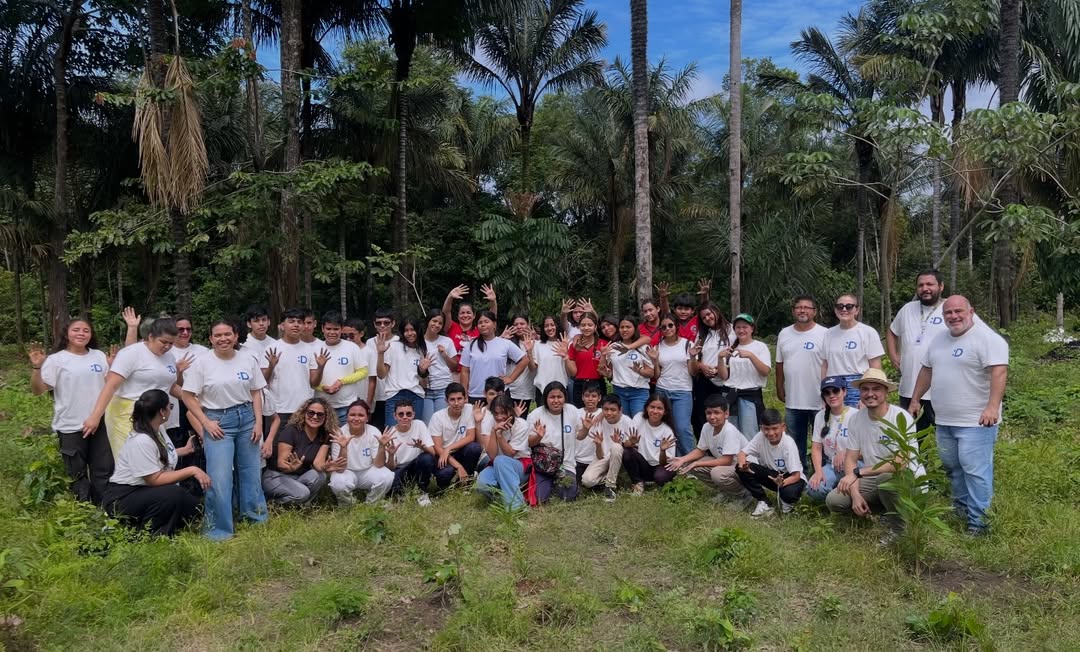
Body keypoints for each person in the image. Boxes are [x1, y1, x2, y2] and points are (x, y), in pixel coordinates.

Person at [908, 295, 1008, 535]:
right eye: (948, 313)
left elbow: (999, 372)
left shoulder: (988, 339)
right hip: (945, 420)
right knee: (953, 468)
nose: (953, 316)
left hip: (976, 421)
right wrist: (915, 399)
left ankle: (979, 524)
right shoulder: (939, 340)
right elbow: (926, 370)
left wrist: (992, 407)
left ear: (971, 311)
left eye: (958, 311)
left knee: (976, 471)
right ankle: (962, 511)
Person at [180, 320, 267, 540]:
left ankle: (255, 517)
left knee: (250, 472)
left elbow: (256, 391)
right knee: (220, 477)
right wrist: (205, 423)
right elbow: (187, 396)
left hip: (247, 418)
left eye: (227, 334)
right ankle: (218, 530)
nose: (223, 339)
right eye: (217, 335)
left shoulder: (248, 359)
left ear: (236, 336)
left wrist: (258, 422)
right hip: (218, 422)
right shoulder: (202, 363)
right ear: (210, 339)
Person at [826, 369, 925, 546]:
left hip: (908, 478)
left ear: (886, 392)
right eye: (865, 389)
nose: (870, 394)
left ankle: (901, 530)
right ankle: (881, 514)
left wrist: (858, 472)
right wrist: (855, 494)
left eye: (876, 389)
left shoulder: (900, 417)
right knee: (835, 500)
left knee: (885, 479)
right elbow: (850, 459)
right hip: (874, 477)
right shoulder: (856, 419)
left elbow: (900, 462)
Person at [29, 317, 116, 503]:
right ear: (67, 333)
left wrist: (113, 365)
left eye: (86, 330)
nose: (81, 334)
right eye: (76, 330)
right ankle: (83, 510)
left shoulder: (99, 356)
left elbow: (111, 386)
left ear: (91, 334)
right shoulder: (56, 360)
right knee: (76, 473)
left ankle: (105, 508)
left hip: (100, 422)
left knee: (103, 469)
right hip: (70, 423)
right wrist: (37, 367)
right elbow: (39, 390)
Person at [102, 389, 208, 536]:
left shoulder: (158, 430)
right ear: (161, 412)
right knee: (172, 494)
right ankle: (152, 534)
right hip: (124, 496)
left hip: (144, 492)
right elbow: (154, 479)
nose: (171, 410)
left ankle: (170, 526)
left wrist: (184, 450)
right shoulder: (141, 440)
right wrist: (192, 470)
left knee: (196, 508)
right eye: (170, 406)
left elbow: (157, 456)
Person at [84, 317, 184, 458]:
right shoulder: (131, 353)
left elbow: (170, 384)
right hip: (127, 413)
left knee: (157, 456)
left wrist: (194, 400)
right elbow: (111, 385)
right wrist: (95, 416)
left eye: (171, 343)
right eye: (163, 342)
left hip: (156, 413)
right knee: (133, 458)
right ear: (150, 336)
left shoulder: (169, 357)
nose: (167, 346)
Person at [888, 269, 949, 432]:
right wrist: (893, 354)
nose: (925, 288)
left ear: (941, 286)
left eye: (930, 284)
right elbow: (892, 331)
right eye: (921, 285)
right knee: (910, 437)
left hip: (940, 390)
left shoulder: (951, 309)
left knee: (941, 437)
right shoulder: (908, 309)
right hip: (909, 387)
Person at [666, 394, 750, 505]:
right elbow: (700, 450)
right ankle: (726, 492)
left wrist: (697, 464)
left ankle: (744, 495)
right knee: (690, 464)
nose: (712, 417)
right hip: (727, 466)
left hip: (744, 468)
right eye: (709, 413)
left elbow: (727, 461)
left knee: (716, 473)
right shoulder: (707, 427)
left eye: (716, 412)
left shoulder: (729, 431)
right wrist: (683, 459)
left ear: (726, 414)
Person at [775, 295, 828, 466]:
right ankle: (799, 475)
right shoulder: (784, 333)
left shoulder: (825, 334)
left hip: (819, 400)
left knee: (823, 440)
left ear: (814, 312)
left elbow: (830, 364)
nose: (802, 310)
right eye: (798, 307)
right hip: (794, 399)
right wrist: (779, 387)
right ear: (793, 311)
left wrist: (828, 393)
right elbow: (779, 363)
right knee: (794, 442)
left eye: (807, 307)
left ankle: (823, 474)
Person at [262, 397, 339, 505]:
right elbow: (281, 463)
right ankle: (271, 504)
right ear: (304, 413)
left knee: (320, 476)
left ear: (326, 417)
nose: (315, 417)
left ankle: (300, 505)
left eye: (320, 414)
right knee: (302, 493)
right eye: (311, 413)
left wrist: (326, 467)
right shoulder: (291, 430)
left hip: (298, 477)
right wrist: (290, 467)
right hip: (276, 476)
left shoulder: (324, 435)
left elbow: (318, 465)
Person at [736, 409, 806, 518]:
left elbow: (796, 476)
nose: (770, 433)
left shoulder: (788, 444)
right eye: (766, 429)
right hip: (772, 475)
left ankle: (790, 501)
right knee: (739, 468)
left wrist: (782, 482)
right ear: (761, 428)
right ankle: (763, 501)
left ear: (783, 427)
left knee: (788, 494)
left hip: (791, 477)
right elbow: (742, 453)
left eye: (774, 428)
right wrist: (742, 466)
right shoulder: (760, 436)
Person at [647, 315, 700, 455]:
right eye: (663, 327)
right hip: (662, 389)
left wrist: (693, 357)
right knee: (666, 426)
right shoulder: (658, 346)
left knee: (682, 427)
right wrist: (654, 361)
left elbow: (693, 372)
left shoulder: (687, 344)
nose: (667, 329)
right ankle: (671, 456)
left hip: (683, 391)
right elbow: (656, 375)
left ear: (676, 326)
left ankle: (689, 459)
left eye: (670, 325)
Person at [526, 381, 585, 504]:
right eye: (552, 397)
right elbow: (528, 444)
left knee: (567, 496)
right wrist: (538, 436)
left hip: (565, 465)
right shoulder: (536, 414)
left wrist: (586, 428)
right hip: (543, 466)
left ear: (565, 398)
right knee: (539, 499)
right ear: (546, 398)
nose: (556, 401)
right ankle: (547, 485)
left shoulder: (572, 411)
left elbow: (580, 436)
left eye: (559, 397)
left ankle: (563, 486)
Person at [327, 400, 394, 505]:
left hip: (368, 471)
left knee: (387, 476)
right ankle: (348, 505)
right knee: (338, 483)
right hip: (347, 472)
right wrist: (343, 447)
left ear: (367, 418)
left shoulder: (374, 432)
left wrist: (382, 446)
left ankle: (372, 503)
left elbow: (378, 464)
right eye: (352, 415)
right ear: (347, 417)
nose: (356, 419)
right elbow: (339, 470)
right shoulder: (340, 434)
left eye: (361, 415)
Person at [822, 294, 884, 407]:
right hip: (833, 386)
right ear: (835, 310)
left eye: (849, 306)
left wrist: (870, 394)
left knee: (857, 421)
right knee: (836, 422)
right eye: (840, 306)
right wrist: (823, 390)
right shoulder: (828, 334)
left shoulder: (868, 332)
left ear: (857, 310)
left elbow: (875, 367)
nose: (844, 309)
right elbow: (825, 365)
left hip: (857, 384)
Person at [475, 394, 532, 510]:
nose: (500, 417)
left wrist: (499, 436)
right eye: (496, 413)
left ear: (511, 411)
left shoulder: (521, 425)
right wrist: (493, 432)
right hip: (497, 464)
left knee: (501, 460)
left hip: (519, 464)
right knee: (482, 484)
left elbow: (511, 453)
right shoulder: (490, 423)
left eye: (503, 413)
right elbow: (491, 455)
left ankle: (517, 507)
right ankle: (505, 497)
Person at [310, 311, 369, 424]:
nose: (332, 332)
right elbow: (311, 381)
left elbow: (363, 372)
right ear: (322, 328)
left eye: (336, 329)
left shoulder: (352, 347)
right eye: (328, 329)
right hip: (322, 407)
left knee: (345, 440)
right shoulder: (315, 349)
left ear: (341, 329)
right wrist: (323, 387)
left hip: (347, 406)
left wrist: (341, 382)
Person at [805, 377, 858, 502]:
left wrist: (846, 453)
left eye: (835, 391)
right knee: (813, 489)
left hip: (855, 463)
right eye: (827, 393)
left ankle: (842, 496)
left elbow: (866, 447)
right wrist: (818, 471)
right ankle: (837, 491)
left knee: (856, 486)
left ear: (844, 392)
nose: (831, 395)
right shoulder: (820, 416)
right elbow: (816, 447)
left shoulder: (856, 415)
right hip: (831, 464)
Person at [718, 314, 771, 437]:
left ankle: (749, 457)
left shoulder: (760, 347)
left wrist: (751, 356)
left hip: (749, 397)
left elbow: (765, 372)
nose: (741, 330)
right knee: (730, 433)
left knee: (750, 434)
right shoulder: (731, 348)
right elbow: (724, 376)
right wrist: (720, 358)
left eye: (745, 327)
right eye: (738, 327)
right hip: (730, 395)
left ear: (752, 328)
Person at [459, 311, 528, 403]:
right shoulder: (470, 345)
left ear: (494, 324)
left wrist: (511, 378)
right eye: (480, 322)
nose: (483, 325)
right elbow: (465, 371)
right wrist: (464, 393)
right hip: (476, 394)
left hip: (498, 394)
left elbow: (524, 360)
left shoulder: (504, 343)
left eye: (486, 321)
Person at [261, 308, 315, 425]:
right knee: (277, 443)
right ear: (282, 326)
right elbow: (263, 381)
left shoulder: (309, 349)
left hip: (304, 409)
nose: (296, 325)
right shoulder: (271, 349)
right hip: (278, 410)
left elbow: (313, 383)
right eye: (291, 321)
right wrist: (271, 366)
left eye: (299, 322)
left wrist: (321, 367)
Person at [375, 317, 428, 428]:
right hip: (394, 394)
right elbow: (381, 375)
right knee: (391, 432)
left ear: (418, 330)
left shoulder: (422, 350)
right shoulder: (394, 346)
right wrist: (380, 354)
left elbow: (424, 383)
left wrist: (423, 371)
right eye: (406, 330)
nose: (410, 333)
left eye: (412, 330)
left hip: (416, 395)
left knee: (414, 432)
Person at [428, 384, 483, 490]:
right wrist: (458, 466)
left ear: (465, 398)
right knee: (446, 473)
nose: (457, 403)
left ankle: (467, 482)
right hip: (442, 454)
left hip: (456, 451)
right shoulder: (437, 417)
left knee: (474, 448)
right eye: (452, 400)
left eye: (459, 399)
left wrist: (448, 448)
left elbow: (471, 437)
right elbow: (437, 447)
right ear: (446, 401)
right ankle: (444, 487)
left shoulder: (469, 409)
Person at [693, 301, 735, 439]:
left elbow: (737, 354)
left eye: (709, 314)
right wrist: (702, 367)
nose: (707, 319)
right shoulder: (703, 334)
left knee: (722, 416)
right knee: (702, 416)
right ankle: (704, 449)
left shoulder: (732, 330)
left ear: (716, 311)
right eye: (703, 318)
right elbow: (695, 357)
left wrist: (720, 368)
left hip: (725, 380)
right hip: (704, 381)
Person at [381, 400, 436, 505]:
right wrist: (391, 454)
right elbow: (390, 468)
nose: (405, 417)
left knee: (426, 458)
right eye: (401, 414)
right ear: (395, 416)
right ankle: (401, 493)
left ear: (413, 415)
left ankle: (422, 492)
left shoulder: (419, 425)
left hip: (416, 466)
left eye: (408, 414)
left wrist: (422, 446)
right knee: (392, 485)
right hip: (400, 470)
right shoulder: (390, 433)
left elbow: (433, 453)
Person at [600, 316, 654, 419]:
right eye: (622, 327)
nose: (624, 330)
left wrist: (640, 371)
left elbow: (651, 373)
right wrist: (606, 371)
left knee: (638, 424)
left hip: (639, 391)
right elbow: (608, 371)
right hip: (619, 391)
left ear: (635, 328)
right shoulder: (613, 347)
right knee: (622, 424)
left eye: (628, 327)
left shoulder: (643, 347)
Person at [621, 395, 678, 493]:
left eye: (659, 408)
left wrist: (662, 451)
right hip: (644, 463)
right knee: (627, 452)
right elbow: (625, 445)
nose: (655, 411)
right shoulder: (639, 418)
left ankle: (655, 482)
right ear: (647, 408)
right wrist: (631, 443)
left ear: (665, 412)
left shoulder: (667, 431)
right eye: (652, 407)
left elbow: (664, 463)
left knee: (660, 477)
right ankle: (638, 483)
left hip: (660, 465)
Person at [240, 304, 280, 443]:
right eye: (257, 321)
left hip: (273, 397)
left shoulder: (276, 344)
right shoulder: (244, 345)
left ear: (269, 322)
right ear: (249, 324)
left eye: (264, 320)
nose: (261, 324)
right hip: (250, 398)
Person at [580, 394, 631, 502]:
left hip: (620, 458)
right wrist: (598, 445)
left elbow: (632, 448)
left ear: (620, 410)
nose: (609, 413)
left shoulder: (627, 422)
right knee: (587, 481)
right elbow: (600, 456)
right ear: (602, 409)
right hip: (603, 457)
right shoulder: (598, 421)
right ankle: (614, 478)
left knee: (616, 447)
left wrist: (622, 443)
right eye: (606, 409)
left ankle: (610, 487)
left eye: (613, 410)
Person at [420, 309, 459, 423]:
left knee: (441, 423)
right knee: (427, 424)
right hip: (425, 389)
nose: (436, 325)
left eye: (440, 323)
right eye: (434, 321)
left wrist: (445, 355)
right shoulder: (419, 342)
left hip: (443, 388)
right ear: (428, 321)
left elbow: (454, 367)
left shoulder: (447, 341)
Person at [563, 312, 606, 408]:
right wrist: (566, 356)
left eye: (590, 325)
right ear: (579, 327)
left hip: (597, 384)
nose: (586, 328)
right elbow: (573, 373)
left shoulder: (603, 344)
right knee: (579, 416)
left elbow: (603, 371)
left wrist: (603, 355)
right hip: (579, 385)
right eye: (583, 325)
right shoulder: (574, 346)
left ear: (595, 327)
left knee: (598, 415)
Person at [526, 315, 570, 408]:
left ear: (557, 326)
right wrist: (529, 352)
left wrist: (566, 353)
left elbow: (571, 371)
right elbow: (532, 368)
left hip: (561, 388)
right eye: (546, 326)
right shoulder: (538, 345)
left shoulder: (565, 343)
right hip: (542, 389)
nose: (549, 328)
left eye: (552, 325)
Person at [441, 283, 498, 352]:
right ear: (458, 316)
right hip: (453, 362)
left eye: (468, 313)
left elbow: (491, 318)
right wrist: (449, 297)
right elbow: (446, 313)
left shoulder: (479, 329)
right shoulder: (451, 326)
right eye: (462, 313)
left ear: (474, 316)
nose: (465, 315)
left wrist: (493, 302)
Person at [365, 308, 397, 430]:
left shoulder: (399, 342)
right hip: (375, 396)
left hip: (392, 394)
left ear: (393, 323)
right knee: (374, 431)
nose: (382, 326)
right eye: (378, 323)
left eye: (386, 323)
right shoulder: (369, 342)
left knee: (391, 431)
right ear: (374, 324)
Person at [504, 315, 537, 415]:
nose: (519, 327)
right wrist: (502, 339)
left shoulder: (534, 343)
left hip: (524, 390)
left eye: (522, 324)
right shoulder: (507, 343)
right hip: (507, 388)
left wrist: (529, 351)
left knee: (521, 421)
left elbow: (532, 368)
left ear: (528, 325)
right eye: (516, 324)